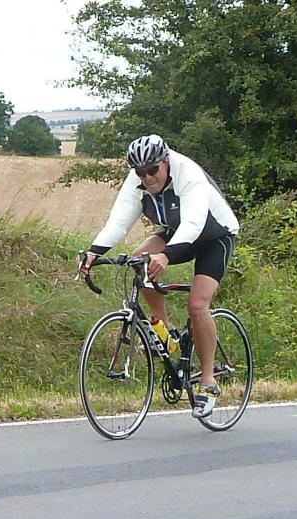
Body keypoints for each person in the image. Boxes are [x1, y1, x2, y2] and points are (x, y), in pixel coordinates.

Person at [78, 134, 239, 418]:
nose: (147, 177)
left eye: (153, 170)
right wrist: (93, 252)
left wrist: (165, 255)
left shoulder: (187, 172)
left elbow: (194, 222)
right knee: (140, 260)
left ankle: (208, 381)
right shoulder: (137, 180)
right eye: (141, 172)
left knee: (197, 305)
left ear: (166, 161)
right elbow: (118, 223)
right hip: (178, 233)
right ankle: (166, 329)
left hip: (214, 237)